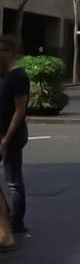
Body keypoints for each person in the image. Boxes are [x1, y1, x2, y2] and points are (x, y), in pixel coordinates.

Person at [0, 35, 30, 237]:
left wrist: (7, 138)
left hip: (11, 135)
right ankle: (6, 217)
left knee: (13, 181)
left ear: (9, 52)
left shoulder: (18, 77)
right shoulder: (2, 76)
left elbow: (20, 111)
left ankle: (16, 222)